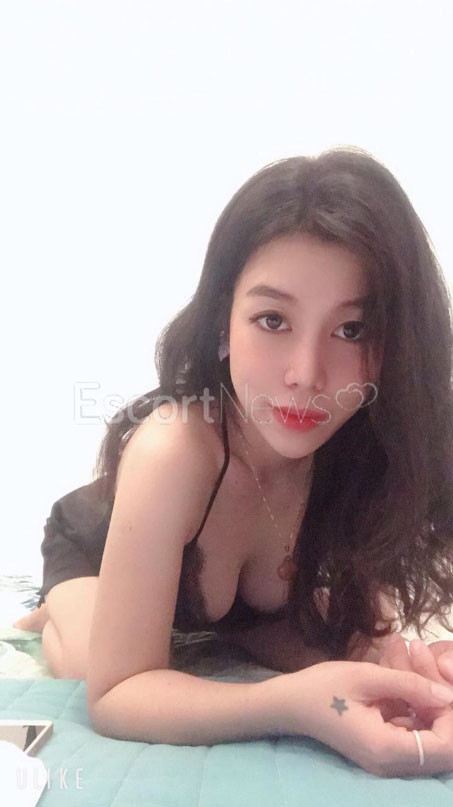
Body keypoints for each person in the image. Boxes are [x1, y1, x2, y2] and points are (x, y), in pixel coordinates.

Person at [15, 146, 453, 776]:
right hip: (98, 542)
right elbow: (116, 695)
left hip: (237, 605)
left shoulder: (364, 450)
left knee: (356, 648)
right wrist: (299, 706)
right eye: (273, 319)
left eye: (351, 330)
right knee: (91, 662)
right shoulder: (175, 450)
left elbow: (352, 625)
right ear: (224, 323)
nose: (306, 375)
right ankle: (56, 605)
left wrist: (409, 672)